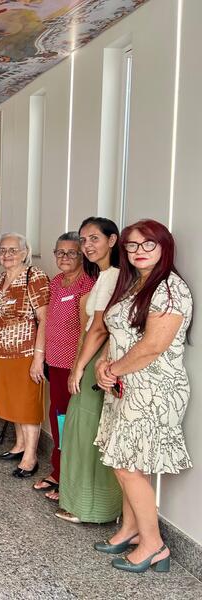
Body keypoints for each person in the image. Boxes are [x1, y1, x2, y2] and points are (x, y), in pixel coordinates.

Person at [93, 219, 192, 573]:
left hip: (154, 389)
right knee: (125, 461)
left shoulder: (169, 289)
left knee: (129, 466)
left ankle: (155, 546)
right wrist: (104, 364)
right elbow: (116, 331)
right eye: (133, 246)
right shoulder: (136, 282)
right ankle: (132, 529)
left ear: (164, 247)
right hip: (126, 384)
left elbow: (153, 347)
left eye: (148, 245)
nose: (139, 252)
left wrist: (113, 369)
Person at [57, 217, 122, 523]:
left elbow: (98, 329)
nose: (87, 246)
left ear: (112, 240)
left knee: (84, 432)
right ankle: (91, 505)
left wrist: (78, 368)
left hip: (95, 360)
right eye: (84, 240)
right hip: (96, 357)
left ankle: (88, 508)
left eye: (94, 238)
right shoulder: (107, 275)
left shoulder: (112, 277)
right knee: (85, 431)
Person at [36, 233, 95, 496]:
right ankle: (59, 472)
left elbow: (87, 330)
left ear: (82, 256)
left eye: (71, 252)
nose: (64, 257)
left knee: (70, 423)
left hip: (73, 368)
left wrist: (77, 367)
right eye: (59, 252)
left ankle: (68, 481)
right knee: (58, 418)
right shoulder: (57, 281)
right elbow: (47, 322)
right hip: (54, 364)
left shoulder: (87, 285)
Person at [0, 233, 49, 478]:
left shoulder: (34, 275)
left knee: (27, 404)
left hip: (26, 352)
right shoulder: (3, 278)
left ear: (25, 252)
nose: (7, 254)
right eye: (3, 250)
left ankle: (30, 456)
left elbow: (44, 318)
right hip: (3, 353)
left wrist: (39, 357)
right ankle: (20, 444)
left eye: (13, 250)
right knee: (13, 402)